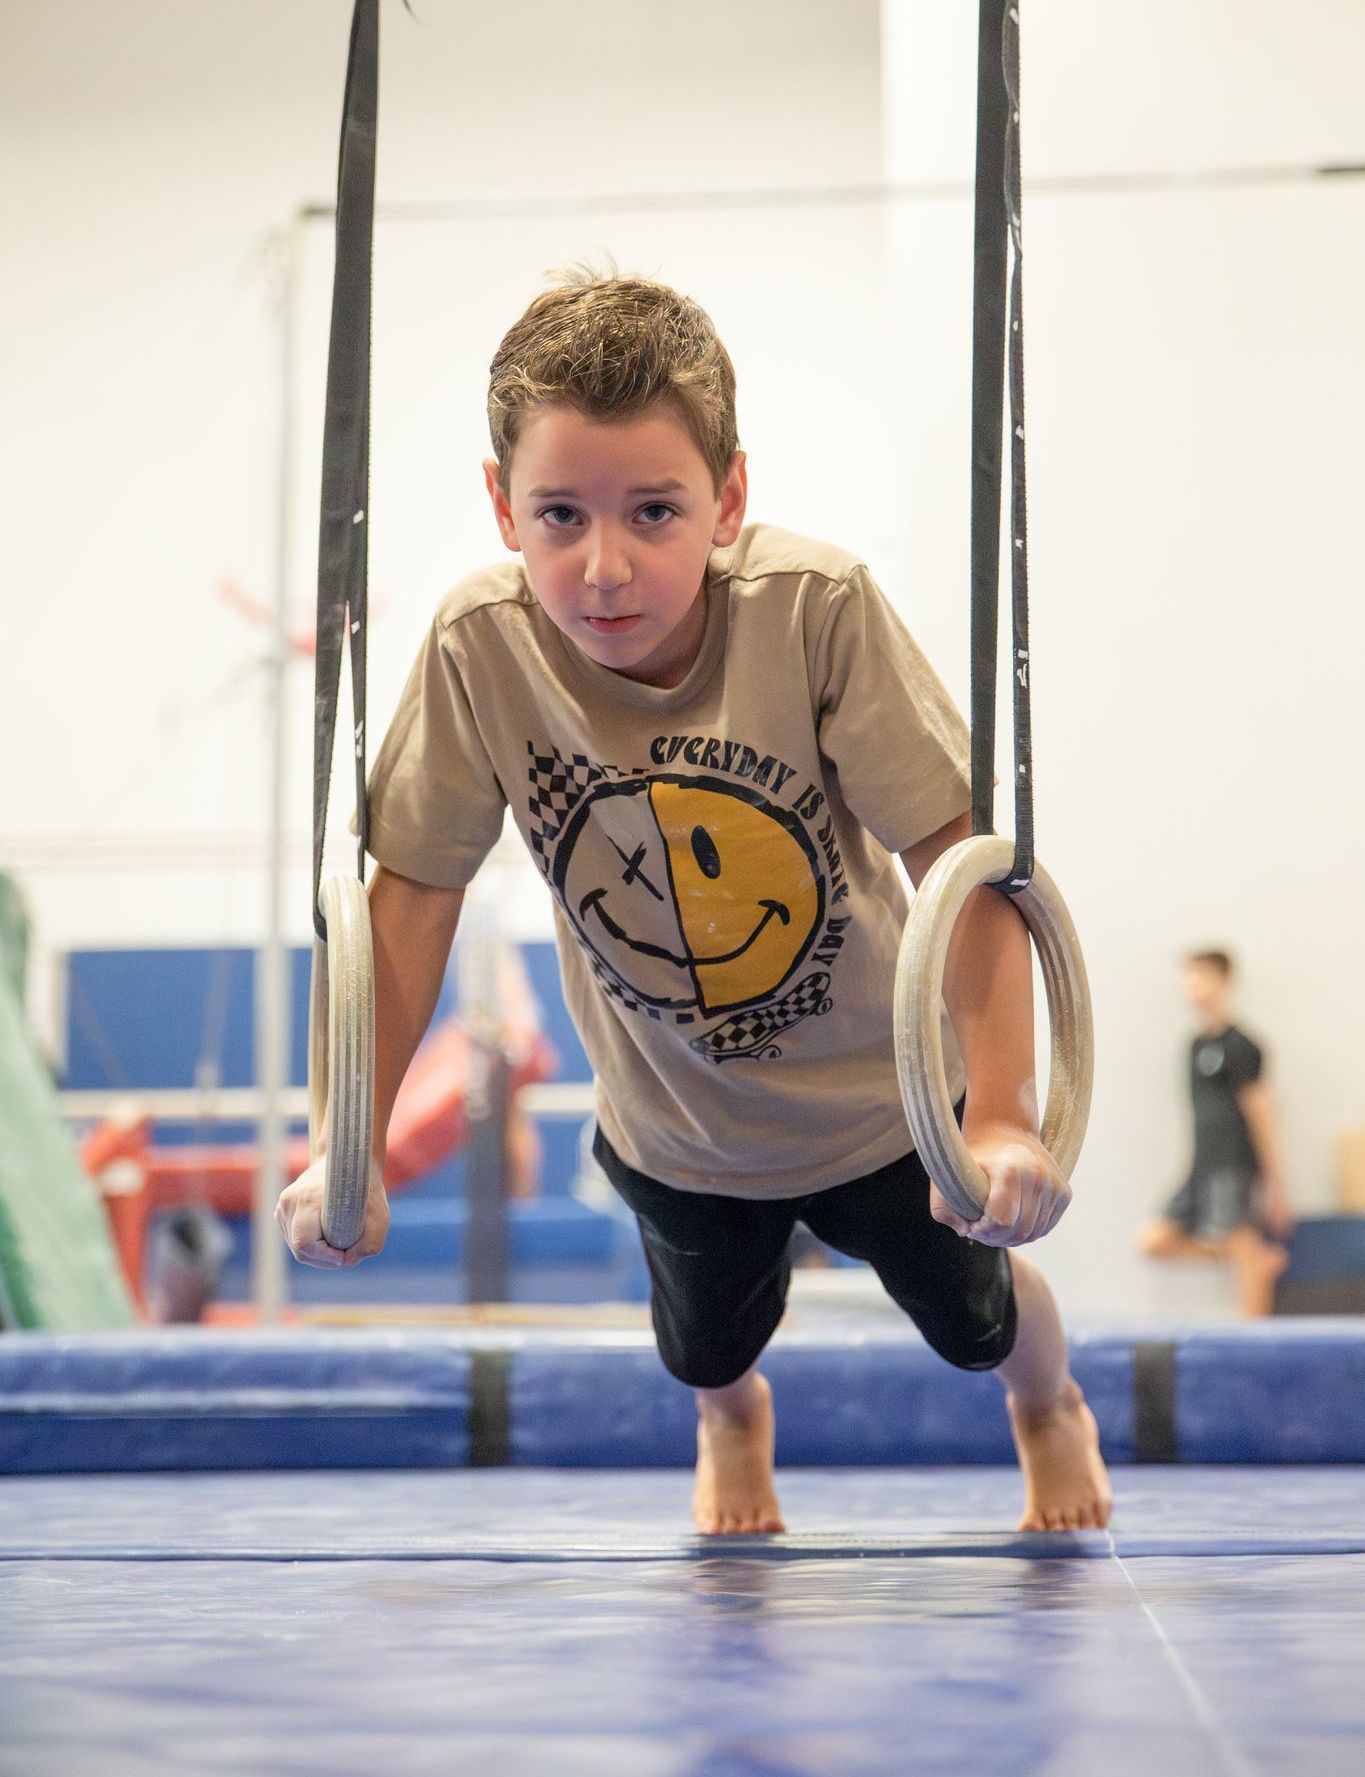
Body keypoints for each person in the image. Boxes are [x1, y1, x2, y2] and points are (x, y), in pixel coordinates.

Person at [277, 267, 1112, 1536]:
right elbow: (408, 907)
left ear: (727, 498)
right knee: (704, 1351)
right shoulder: (478, 649)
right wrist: (356, 1139)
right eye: (560, 514)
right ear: (501, 505)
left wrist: (997, 1112)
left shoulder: (812, 612)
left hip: (885, 1108)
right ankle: (735, 1421)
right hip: (680, 1124)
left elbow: (964, 867)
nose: (604, 567)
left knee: (976, 1320)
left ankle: (1049, 1405)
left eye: (654, 512)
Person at [1139, 949, 1292, 1318]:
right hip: (1202, 1165)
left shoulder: (1242, 1045)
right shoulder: (1194, 1045)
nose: (1191, 985)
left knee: (1241, 1243)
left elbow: (1259, 1111)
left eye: (1200, 976)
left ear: (1224, 981)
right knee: (1154, 1241)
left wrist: (1275, 1183)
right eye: (1188, 977)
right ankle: (1258, 1259)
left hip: (1234, 1163)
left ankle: (1255, 1336)